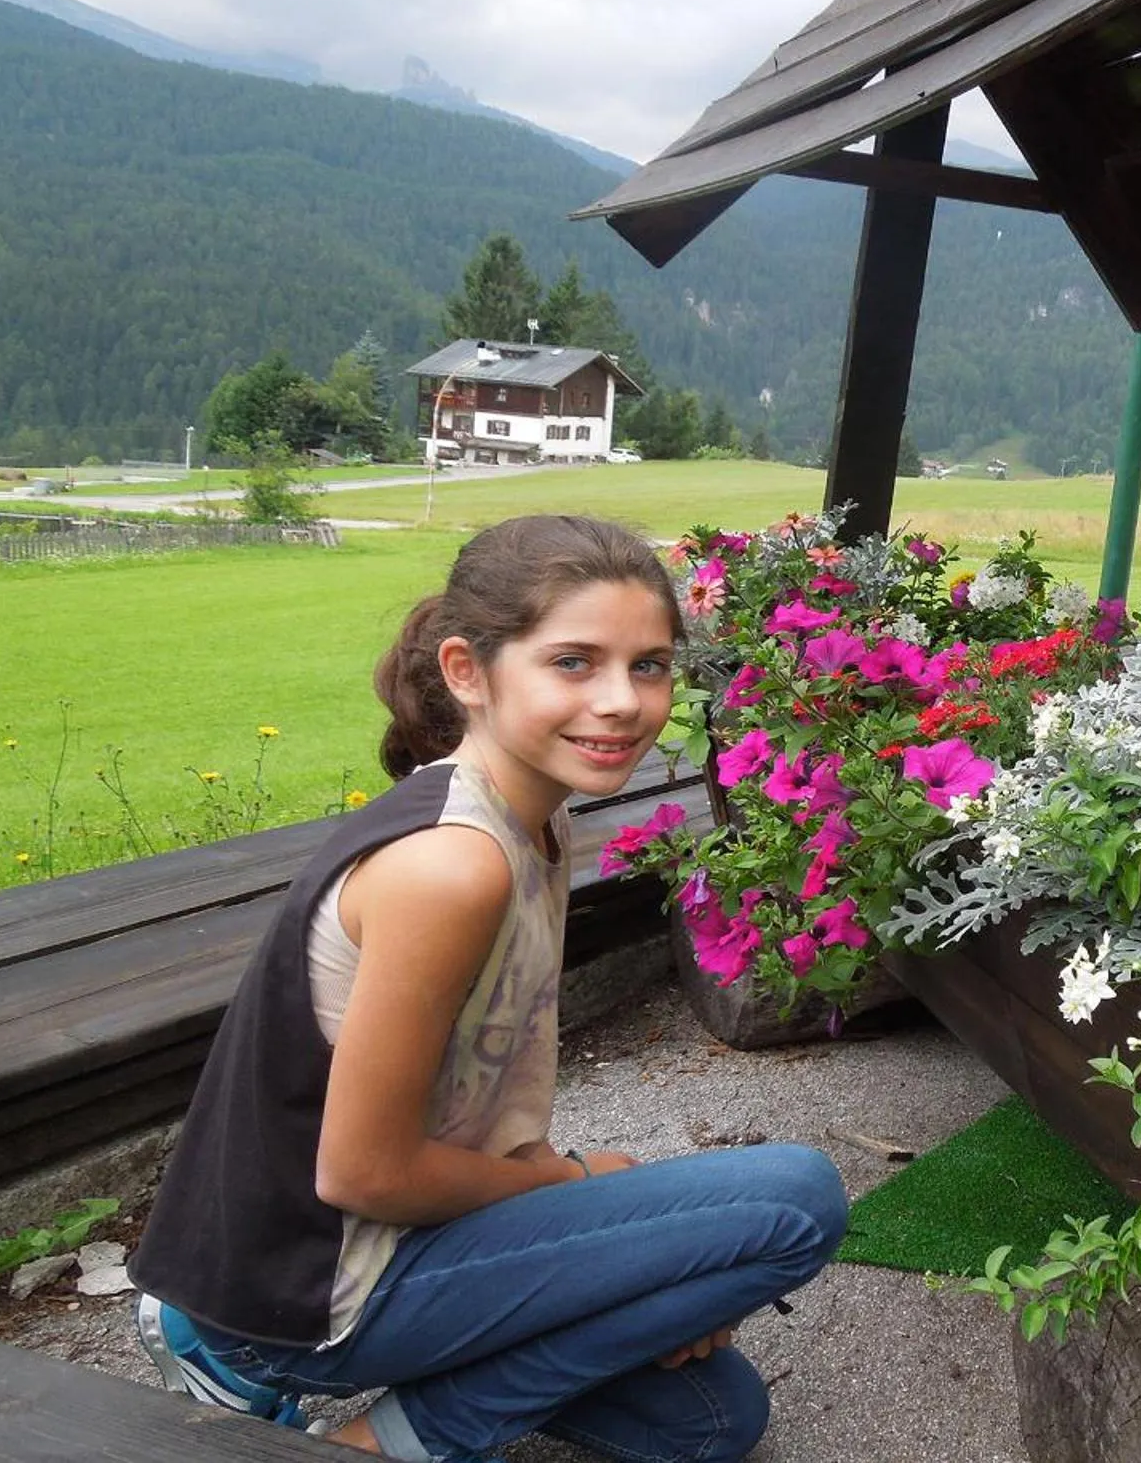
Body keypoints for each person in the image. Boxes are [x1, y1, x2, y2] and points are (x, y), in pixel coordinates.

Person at [129, 514, 845, 1462]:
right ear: (468, 672)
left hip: (392, 1253)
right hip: (302, 1293)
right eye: (575, 662)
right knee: (793, 1200)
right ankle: (396, 1435)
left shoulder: (534, 825)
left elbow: (483, 1093)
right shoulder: (451, 868)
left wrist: (672, 1278)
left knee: (712, 1421)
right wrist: (580, 1185)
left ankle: (443, 1377)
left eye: (651, 666)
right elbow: (362, 1173)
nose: (624, 701)